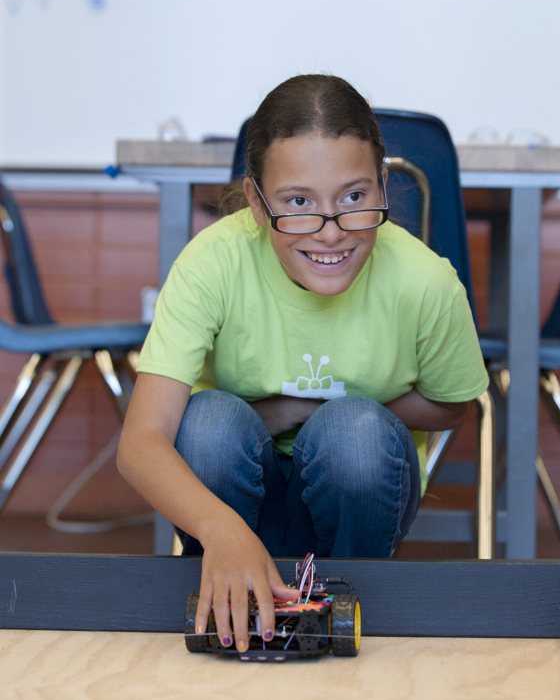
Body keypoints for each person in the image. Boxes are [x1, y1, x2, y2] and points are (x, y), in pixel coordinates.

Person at [117, 74, 489, 653]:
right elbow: (141, 442)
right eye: (296, 202)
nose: (330, 230)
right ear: (257, 203)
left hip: (359, 490)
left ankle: (352, 601)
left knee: (354, 434)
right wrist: (220, 528)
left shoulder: (426, 281)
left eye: (354, 197)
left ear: (383, 185)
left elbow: (452, 405)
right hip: (233, 503)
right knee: (208, 422)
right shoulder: (211, 264)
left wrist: (324, 411)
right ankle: (229, 590)